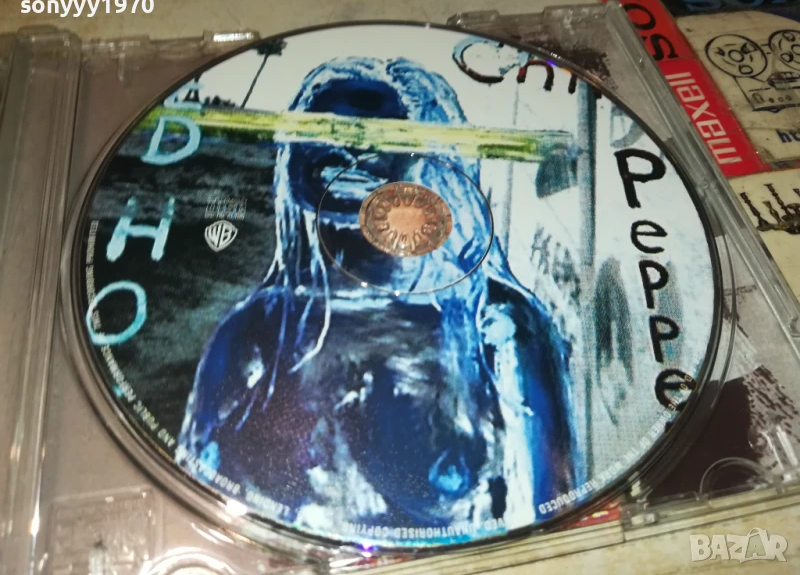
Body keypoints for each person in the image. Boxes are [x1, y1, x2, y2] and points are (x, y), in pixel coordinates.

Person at [177, 54, 580, 540]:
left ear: (417, 161)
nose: (344, 152)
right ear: (296, 161)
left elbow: (549, 525)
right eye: (323, 131)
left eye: (374, 137)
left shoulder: (496, 325)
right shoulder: (256, 330)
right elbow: (195, 502)